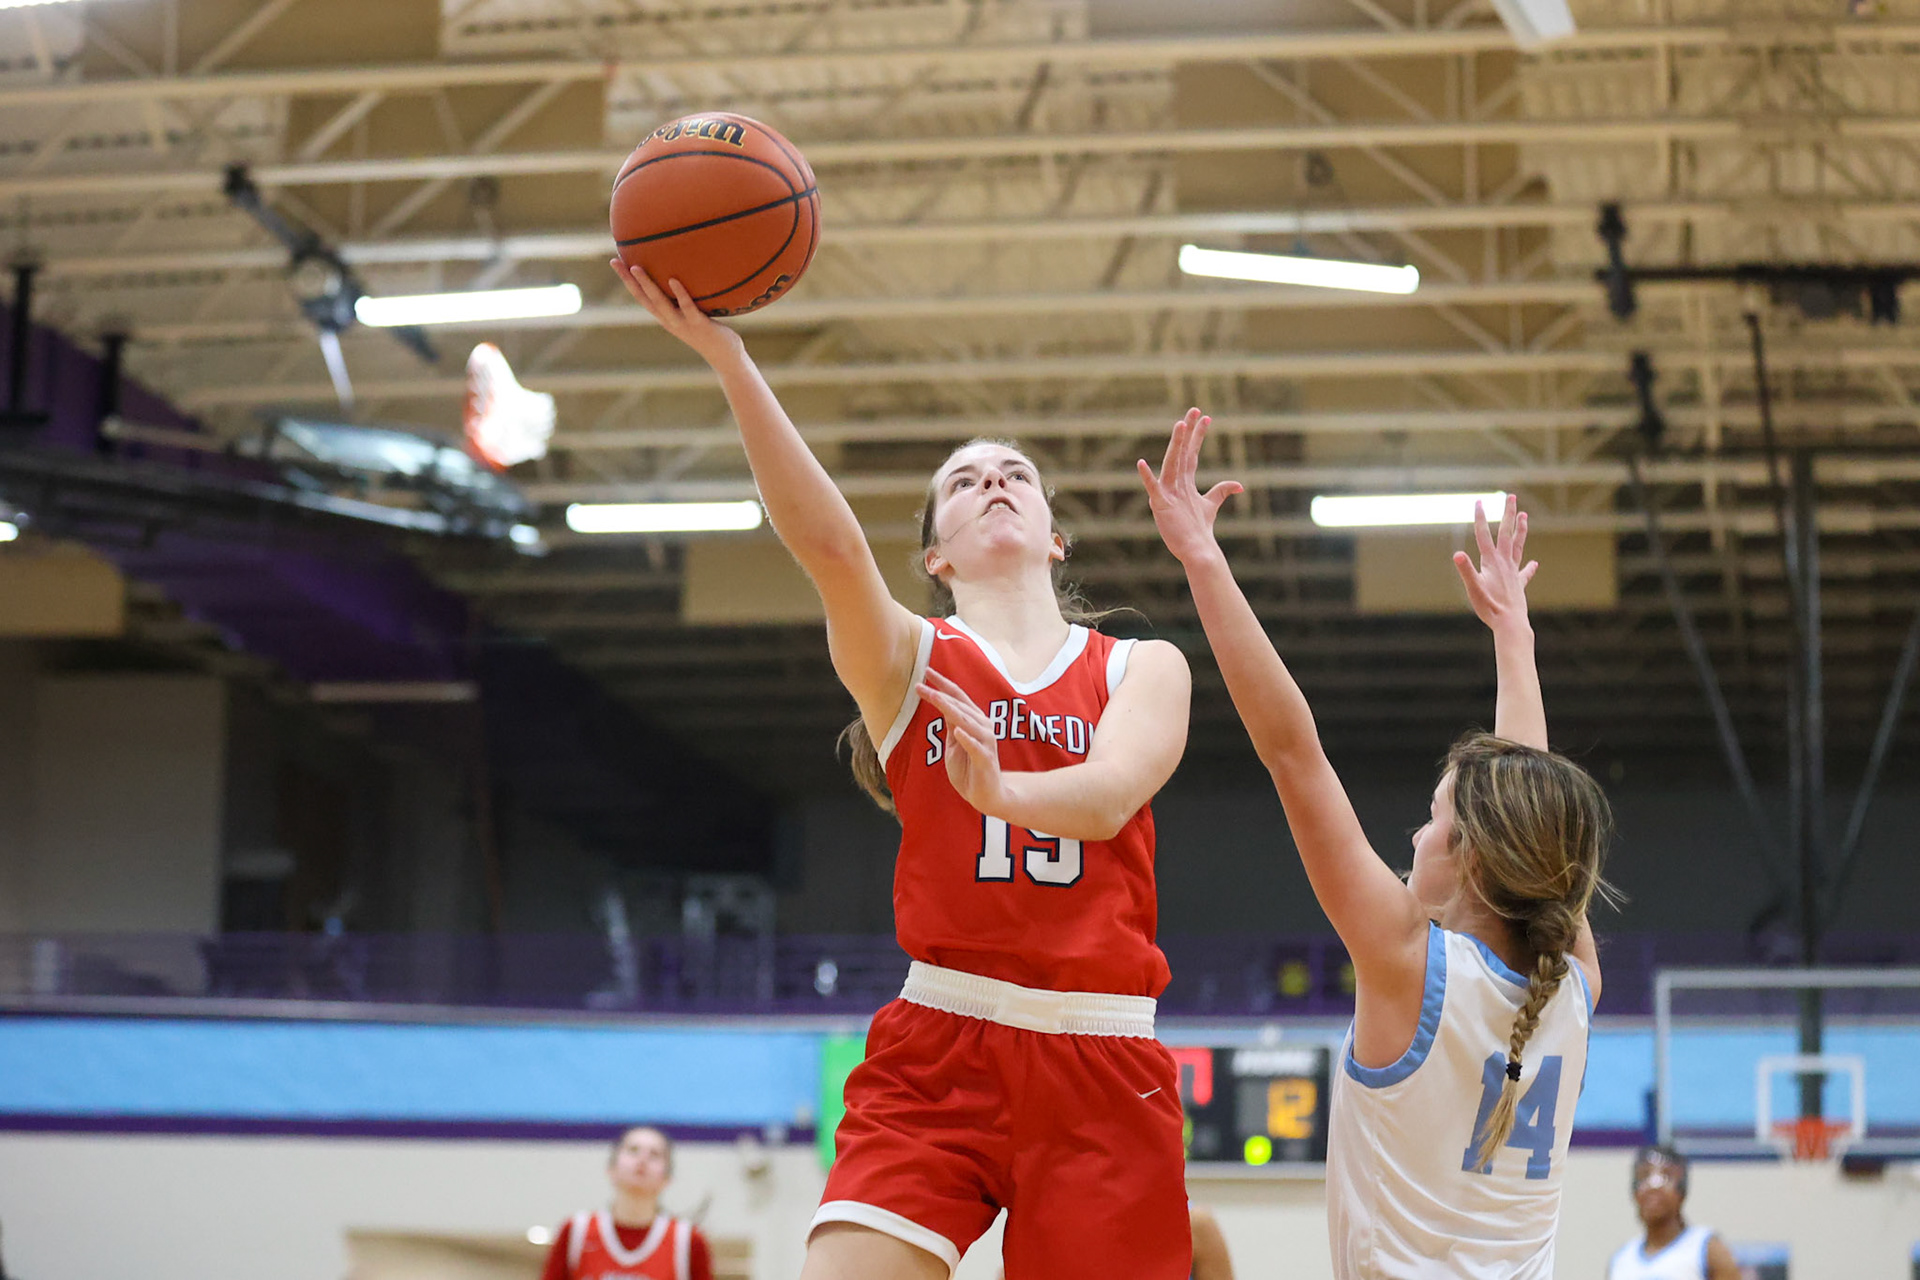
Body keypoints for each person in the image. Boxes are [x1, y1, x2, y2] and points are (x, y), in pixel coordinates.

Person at [613, 263, 1195, 1280]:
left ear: (1055, 537)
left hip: (1103, 1053)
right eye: (963, 482)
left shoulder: (1141, 666)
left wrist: (1003, 792)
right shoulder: (908, 663)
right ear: (936, 558)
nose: (994, 483)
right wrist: (732, 361)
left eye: (1015, 474)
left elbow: (1109, 798)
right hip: (944, 1038)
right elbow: (831, 547)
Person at [1140, 411, 1613, 1279]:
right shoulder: (1574, 985)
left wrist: (1203, 560)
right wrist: (1514, 640)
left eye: (1432, 818)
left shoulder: (1410, 963)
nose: (1415, 834)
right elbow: (1534, 811)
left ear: (1472, 855)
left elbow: (1293, 750)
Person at [541, 1126, 714, 1280]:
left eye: (654, 1154)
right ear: (611, 1169)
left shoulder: (688, 1240)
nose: (643, 1159)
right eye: (633, 1150)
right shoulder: (576, 1231)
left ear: (667, 1179)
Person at [1606, 1146, 1741, 1280]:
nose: (1653, 1187)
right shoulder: (1621, 1260)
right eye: (1645, 1176)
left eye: (1666, 1176)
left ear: (1682, 1192)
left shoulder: (1706, 1249)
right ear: (1634, 1193)